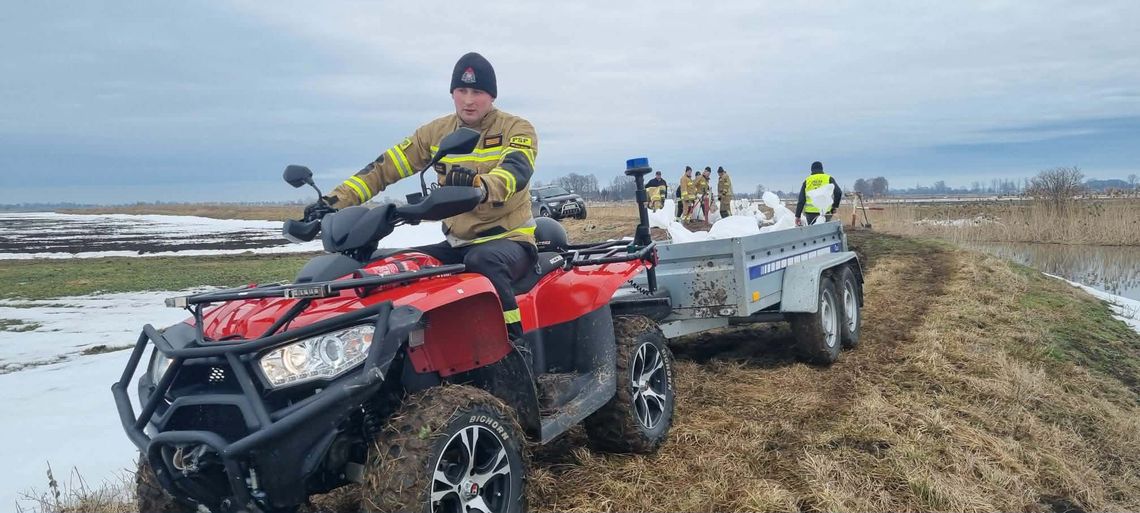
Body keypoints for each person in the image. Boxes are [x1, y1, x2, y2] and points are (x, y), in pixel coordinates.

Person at [311, 52, 538, 340]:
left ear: (491, 96)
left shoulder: (516, 129)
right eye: (462, 91)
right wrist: (330, 203)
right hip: (458, 242)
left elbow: (516, 172)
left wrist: (481, 186)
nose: (469, 99)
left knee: (484, 262)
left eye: (477, 92)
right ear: (452, 93)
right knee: (397, 267)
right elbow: (383, 168)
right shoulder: (436, 133)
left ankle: (513, 347)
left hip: (509, 241)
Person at [795, 161, 842, 226]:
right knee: (825, 231)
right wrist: (834, 207)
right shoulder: (829, 178)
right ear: (822, 169)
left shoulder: (807, 181)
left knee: (813, 232)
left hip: (810, 213)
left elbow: (801, 200)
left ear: (811, 170)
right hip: (825, 212)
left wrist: (798, 216)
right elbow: (838, 192)